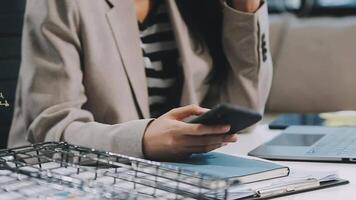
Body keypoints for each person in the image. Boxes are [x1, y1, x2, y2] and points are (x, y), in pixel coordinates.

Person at [8, 0, 272, 161]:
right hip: (69, 177)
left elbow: (245, 108)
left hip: (167, 176)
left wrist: (244, 7)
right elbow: (50, 131)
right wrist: (143, 139)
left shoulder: (191, 5)